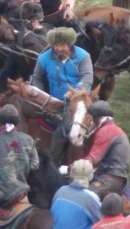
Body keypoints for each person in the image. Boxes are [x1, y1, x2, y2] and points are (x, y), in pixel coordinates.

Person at [31, 27, 93, 165]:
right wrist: (42, 96)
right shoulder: (43, 58)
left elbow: (88, 78)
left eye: (62, 45)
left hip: (80, 102)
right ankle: (54, 163)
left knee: (67, 127)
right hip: (56, 102)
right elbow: (37, 78)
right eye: (55, 45)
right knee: (63, 129)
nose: (58, 48)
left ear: (70, 44)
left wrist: (76, 92)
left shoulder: (83, 56)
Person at [0, 104, 40, 207]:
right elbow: (35, 165)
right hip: (21, 195)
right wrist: (20, 165)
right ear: (17, 122)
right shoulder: (28, 139)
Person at [51, 159, 101, 229]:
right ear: (90, 175)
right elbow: (102, 223)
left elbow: (54, 213)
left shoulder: (60, 190)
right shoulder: (91, 197)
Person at [83, 100, 130, 199]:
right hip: (107, 174)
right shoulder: (112, 129)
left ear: (99, 119)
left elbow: (92, 159)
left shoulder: (106, 131)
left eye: (91, 118)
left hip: (110, 178)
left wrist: (69, 168)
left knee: (86, 197)